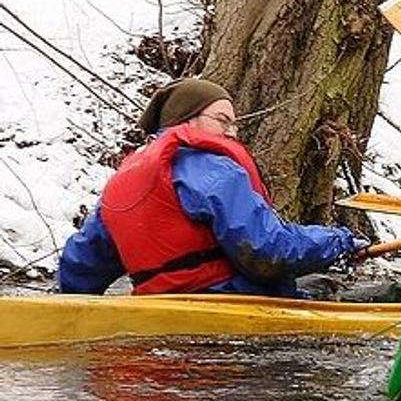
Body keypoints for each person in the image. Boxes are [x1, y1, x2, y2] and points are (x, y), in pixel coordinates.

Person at [57, 78, 365, 297]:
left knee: (320, 286)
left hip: (158, 306)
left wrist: (65, 306)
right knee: (386, 294)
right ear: (186, 120)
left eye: (234, 124)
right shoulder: (215, 170)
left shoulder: (122, 181)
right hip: (231, 301)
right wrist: (339, 242)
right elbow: (267, 252)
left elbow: (81, 266)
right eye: (222, 120)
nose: (231, 133)